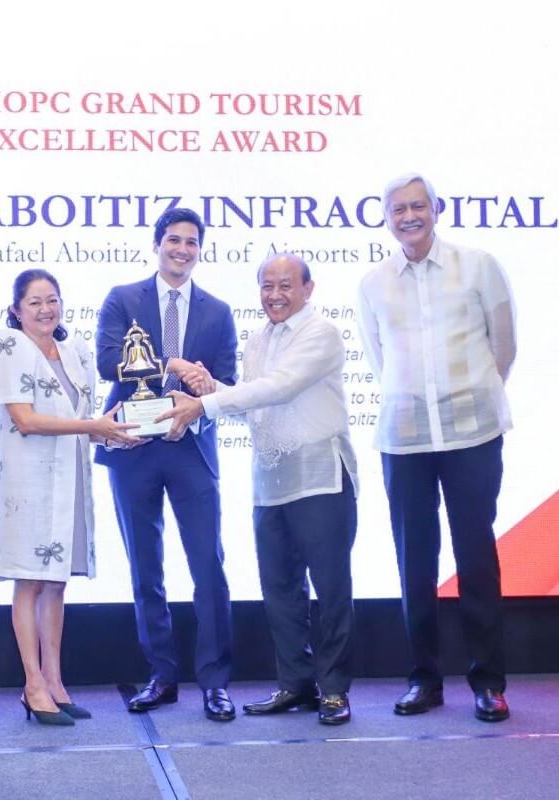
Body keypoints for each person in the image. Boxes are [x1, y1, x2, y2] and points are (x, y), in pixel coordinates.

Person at [157, 253, 359, 725]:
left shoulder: (322, 333)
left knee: (331, 590)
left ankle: (333, 690)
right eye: (266, 286)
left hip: (319, 477)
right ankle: (296, 683)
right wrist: (215, 387)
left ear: (308, 288)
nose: (274, 295)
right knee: (280, 589)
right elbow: (255, 404)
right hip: (270, 480)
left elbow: (281, 388)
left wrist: (204, 402)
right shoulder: (256, 341)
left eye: (285, 285)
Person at [357, 172, 517, 722]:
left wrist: (467, 395)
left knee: (476, 557)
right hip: (404, 438)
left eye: (417, 206)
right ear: (386, 218)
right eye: (397, 208)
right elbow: (378, 358)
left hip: (472, 431)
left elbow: (505, 344)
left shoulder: (477, 266)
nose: (408, 216)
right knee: (414, 562)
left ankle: (488, 682)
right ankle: (424, 679)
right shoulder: (374, 282)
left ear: (436, 208)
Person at [0, 269, 140, 726]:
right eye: (34, 302)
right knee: (28, 580)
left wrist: (113, 436)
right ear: (16, 310)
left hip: (70, 480)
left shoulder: (75, 350)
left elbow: (85, 419)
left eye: (52, 300)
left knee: (56, 582)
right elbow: (25, 420)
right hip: (26, 485)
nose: (46, 309)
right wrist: (94, 428)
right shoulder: (6, 347)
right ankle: (32, 684)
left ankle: (56, 681)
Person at [95, 208, 240, 722]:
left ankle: (216, 683)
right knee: (145, 568)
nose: (182, 249)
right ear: (157, 244)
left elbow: (227, 381)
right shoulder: (123, 298)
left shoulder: (219, 312)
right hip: (134, 446)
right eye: (173, 240)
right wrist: (172, 366)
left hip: (191, 446)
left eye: (191, 242)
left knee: (209, 567)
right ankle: (161, 674)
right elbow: (108, 360)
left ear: (200, 249)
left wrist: (203, 388)